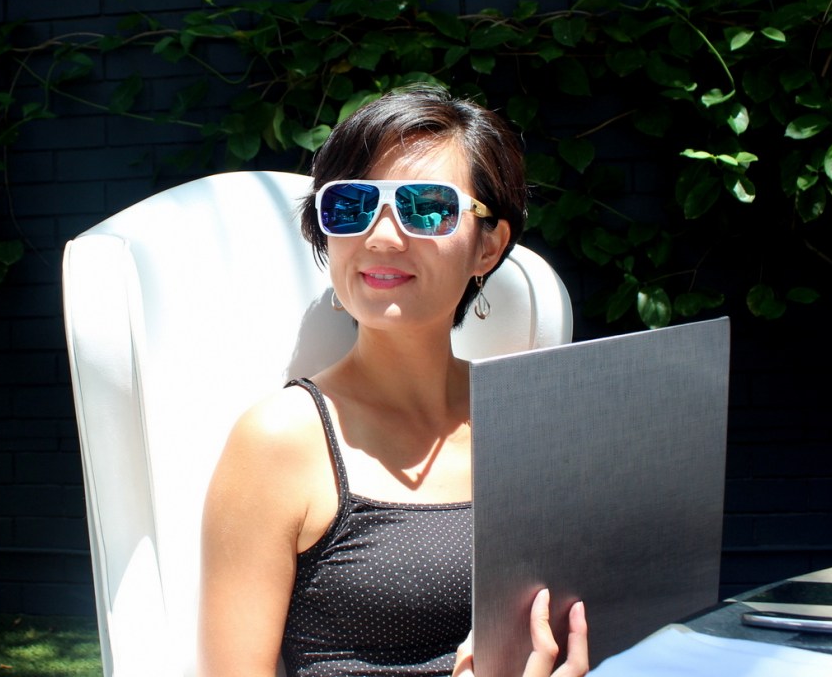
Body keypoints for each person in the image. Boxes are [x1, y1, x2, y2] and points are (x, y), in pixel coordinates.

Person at [197, 86, 589, 677]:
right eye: (351, 205)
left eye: (426, 207)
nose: (381, 236)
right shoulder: (279, 441)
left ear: (488, 246)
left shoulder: (530, 421)